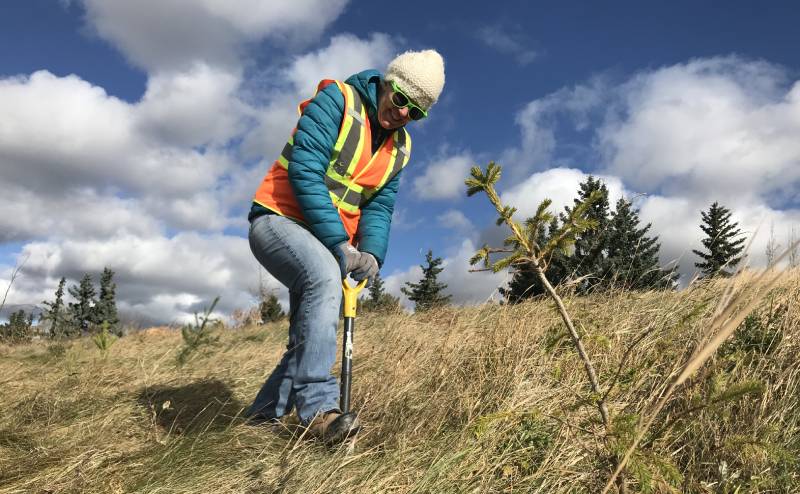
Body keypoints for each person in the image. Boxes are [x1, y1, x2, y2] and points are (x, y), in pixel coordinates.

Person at [245, 50, 445, 443]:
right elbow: (304, 168)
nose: (404, 113)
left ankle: (260, 421)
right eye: (402, 99)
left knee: (308, 334)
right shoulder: (338, 99)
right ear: (387, 84)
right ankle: (319, 410)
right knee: (323, 274)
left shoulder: (399, 149)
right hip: (277, 220)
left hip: (322, 242)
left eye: (416, 112)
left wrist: (371, 253)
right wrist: (339, 243)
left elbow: (379, 207)